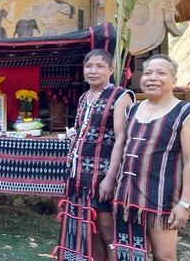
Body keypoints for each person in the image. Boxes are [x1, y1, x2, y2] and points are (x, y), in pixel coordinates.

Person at [113, 54, 190, 261]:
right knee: (126, 254)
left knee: (164, 255)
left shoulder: (186, 113)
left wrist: (185, 204)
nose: (152, 77)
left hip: (162, 199)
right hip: (126, 196)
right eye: (147, 73)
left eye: (161, 73)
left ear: (173, 81)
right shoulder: (132, 110)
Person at [54, 49, 135, 261]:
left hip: (103, 176)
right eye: (88, 66)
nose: (93, 71)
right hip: (81, 177)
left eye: (99, 66)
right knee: (91, 231)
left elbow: (122, 139)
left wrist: (110, 179)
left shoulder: (120, 96)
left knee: (109, 232)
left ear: (110, 69)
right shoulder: (84, 97)